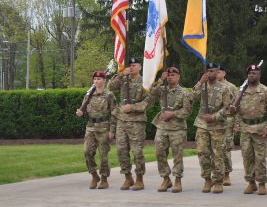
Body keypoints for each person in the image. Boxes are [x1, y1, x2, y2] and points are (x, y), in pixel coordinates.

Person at [230, 65, 267, 195]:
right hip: (245, 130)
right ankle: (251, 183)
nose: (251, 75)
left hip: (260, 129)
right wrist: (235, 119)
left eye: (254, 73)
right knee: (246, 158)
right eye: (249, 73)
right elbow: (237, 112)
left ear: (259, 75)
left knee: (260, 158)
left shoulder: (265, 91)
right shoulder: (241, 92)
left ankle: (262, 184)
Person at [189, 62, 234, 193]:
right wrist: (199, 82)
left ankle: (218, 180)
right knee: (203, 154)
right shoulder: (202, 86)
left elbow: (228, 109)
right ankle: (207, 180)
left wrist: (214, 117)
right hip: (202, 125)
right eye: (207, 71)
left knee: (218, 154)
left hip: (218, 126)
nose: (209, 73)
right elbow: (191, 98)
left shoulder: (225, 89)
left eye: (212, 71)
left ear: (217, 72)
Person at [107, 58, 151, 191]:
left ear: (140, 67)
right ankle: (127, 176)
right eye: (129, 65)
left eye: (134, 65)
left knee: (137, 151)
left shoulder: (145, 82)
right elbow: (110, 87)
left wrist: (133, 107)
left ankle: (139, 179)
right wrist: (121, 74)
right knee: (121, 150)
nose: (131, 68)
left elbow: (149, 102)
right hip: (122, 120)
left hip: (136, 121)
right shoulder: (123, 80)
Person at [149, 67, 192, 193]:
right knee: (159, 153)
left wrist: (172, 114)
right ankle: (166, 179)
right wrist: (160, 80)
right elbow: (151, 93)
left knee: (177, 155)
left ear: (178, 77)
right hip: (162, 127)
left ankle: (178, 180)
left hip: (177, 128)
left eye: (173, 75)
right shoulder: (162, 90)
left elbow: (188, 111)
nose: (170, 77)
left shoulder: (184, 92)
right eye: (168, 75)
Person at [75, 71, 117, 189]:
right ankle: (94, 175)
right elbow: (84, 110)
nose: (96, 81)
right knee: (87, 152)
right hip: (91, 126)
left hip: (104, 126)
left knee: (103, 154)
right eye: (95, 79)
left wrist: (112, 130)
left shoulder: (109, 95)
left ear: (104, 80)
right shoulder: (89, 95)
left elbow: (114, 113)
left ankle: (104, 179)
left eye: (99, 79)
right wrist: (80, 113)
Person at [216, 64, 238, 186]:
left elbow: (237, 107)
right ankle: (216, 174)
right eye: (215, 72)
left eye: (219, 72)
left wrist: (236, 124)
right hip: (214, 122)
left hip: (227, 122)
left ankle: (226, 175)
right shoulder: (211, 86)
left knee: (225, 149)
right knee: (214, 150)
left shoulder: (231, 87)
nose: (217, 74)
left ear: (224, 73)